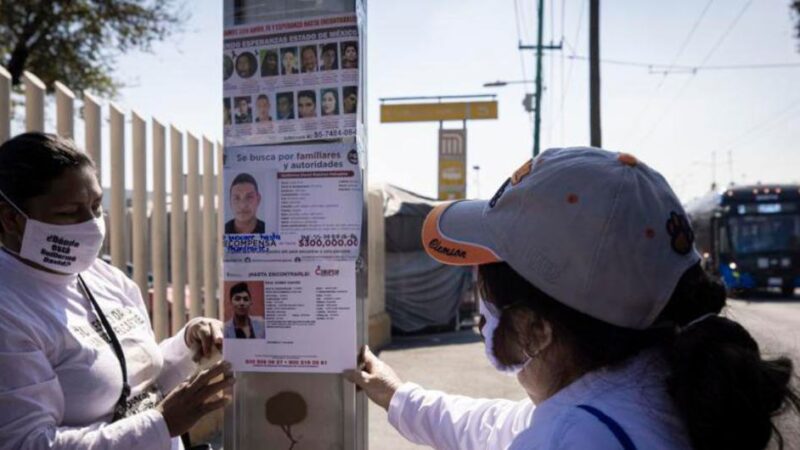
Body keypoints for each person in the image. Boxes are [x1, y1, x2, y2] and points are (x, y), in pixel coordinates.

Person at [346, 147, 800, 450]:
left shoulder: (577, 435)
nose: (482, 320)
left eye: (484, 293)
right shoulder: (652, 387)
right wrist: (398, 395)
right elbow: (496, 427)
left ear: (535, 329)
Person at [0, 132, 235, 449]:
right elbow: (27, 443)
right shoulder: (9, 310)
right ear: (11, 219)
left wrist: (188, 345)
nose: (91, 223)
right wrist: (161, 424)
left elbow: (136, 384)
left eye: (96, 206)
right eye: (69, 212)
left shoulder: (106, 278)